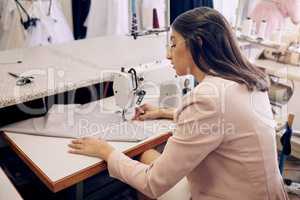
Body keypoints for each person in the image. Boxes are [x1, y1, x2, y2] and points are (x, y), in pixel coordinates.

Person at [68, 7, 289, 200]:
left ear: (197, 44)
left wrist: (107, 151)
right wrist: (166, 112)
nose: (167, 54)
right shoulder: (246, 78)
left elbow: (152, 183)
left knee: (145, 161)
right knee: (149, 155)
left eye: (173, 44)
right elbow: (225, 123)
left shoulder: (206, 99)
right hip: (265, 193)